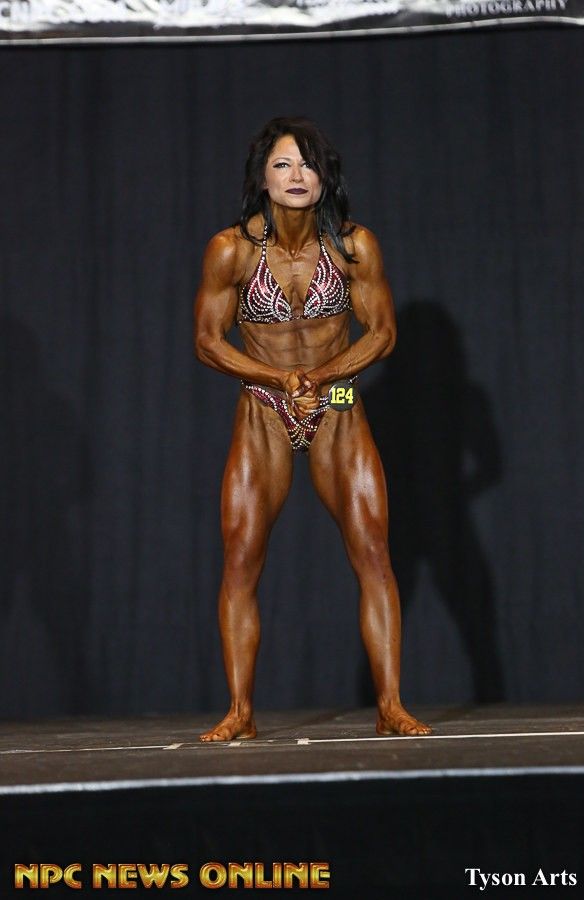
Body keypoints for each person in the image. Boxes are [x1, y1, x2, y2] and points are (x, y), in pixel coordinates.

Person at [194, 117, 431, 741]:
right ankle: (241, 712)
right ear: (263, 179)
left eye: (307, 165)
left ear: (325, 177)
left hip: (339, 398)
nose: (297, 176)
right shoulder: (232, 250)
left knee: (373, 551)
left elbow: (383, 333)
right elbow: (208, 341)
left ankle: (390, 706)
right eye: (283, 165)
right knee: (241, 558)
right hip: (262, 404)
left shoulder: (353, 246)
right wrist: (279, 379)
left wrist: (321, 375)